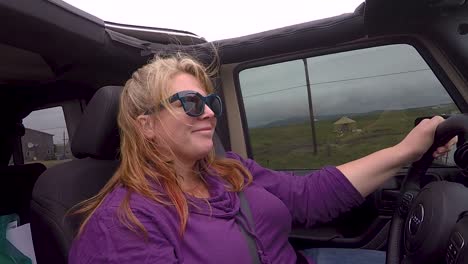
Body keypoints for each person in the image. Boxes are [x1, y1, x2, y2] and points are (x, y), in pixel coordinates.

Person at [68, 53, 455, 264]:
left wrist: (407, 149)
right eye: (189, 102)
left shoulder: (230, 171)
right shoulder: (123, 223)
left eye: (210, 101)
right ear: (147, 126)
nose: (208, 113)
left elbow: (310, 196)